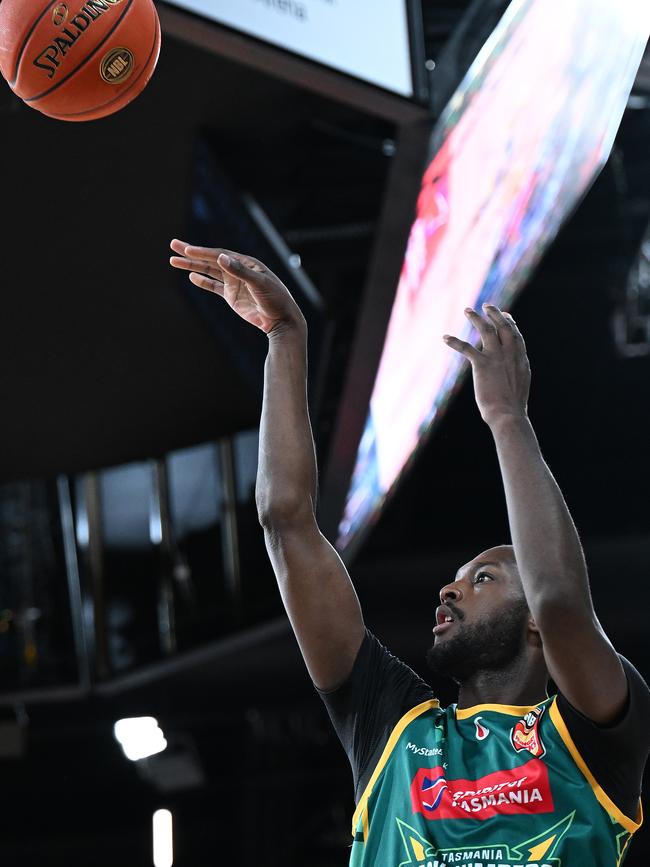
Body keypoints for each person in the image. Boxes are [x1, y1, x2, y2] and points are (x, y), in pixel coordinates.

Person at [170, 241, 650, 867]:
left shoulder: (589, 738)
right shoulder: (392, 726)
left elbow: (560, 600)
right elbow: (284, 523)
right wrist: (284, 338)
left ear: (533, 620)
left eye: (483, 578)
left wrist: (507, 419)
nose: (448, 591)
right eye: (455, 579)